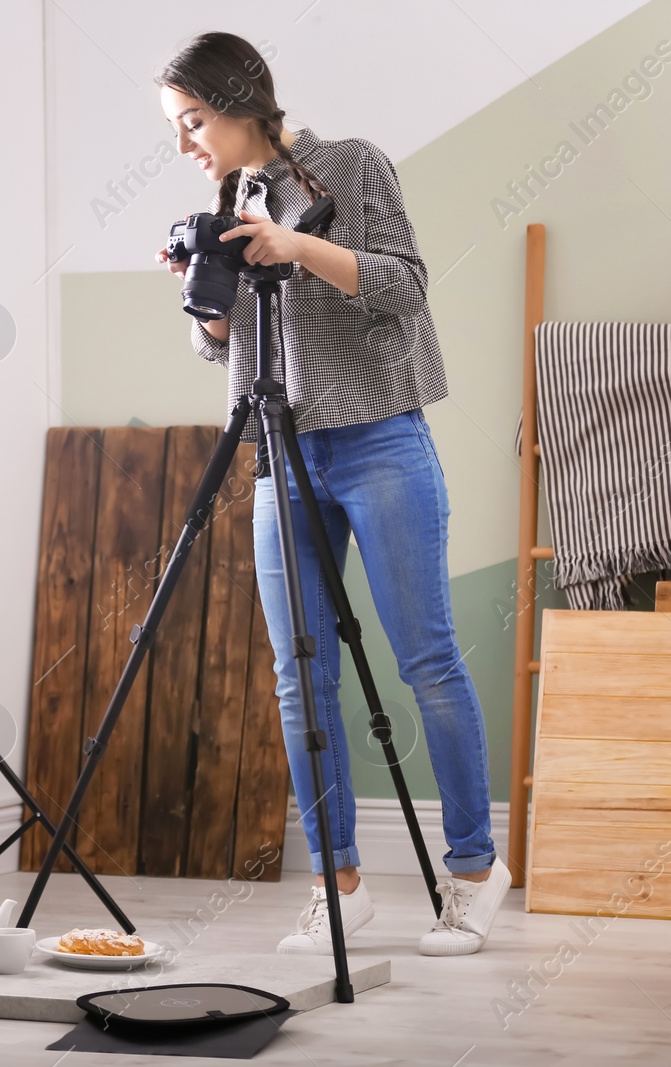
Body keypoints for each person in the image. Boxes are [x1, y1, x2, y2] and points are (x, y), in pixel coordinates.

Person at [154, 31, 508, 957]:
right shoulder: (224, 205)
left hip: (381, 440)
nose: (186, 142)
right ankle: (336, 883)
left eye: (194, 121)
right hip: (282, 452)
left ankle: (473, 871)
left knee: (425, 658)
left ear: (240, 102)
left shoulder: (346, 165)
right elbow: (226, 351)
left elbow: (405, 286)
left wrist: (292, 245)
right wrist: (207, 300)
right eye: (176, 127)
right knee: (299, 674)